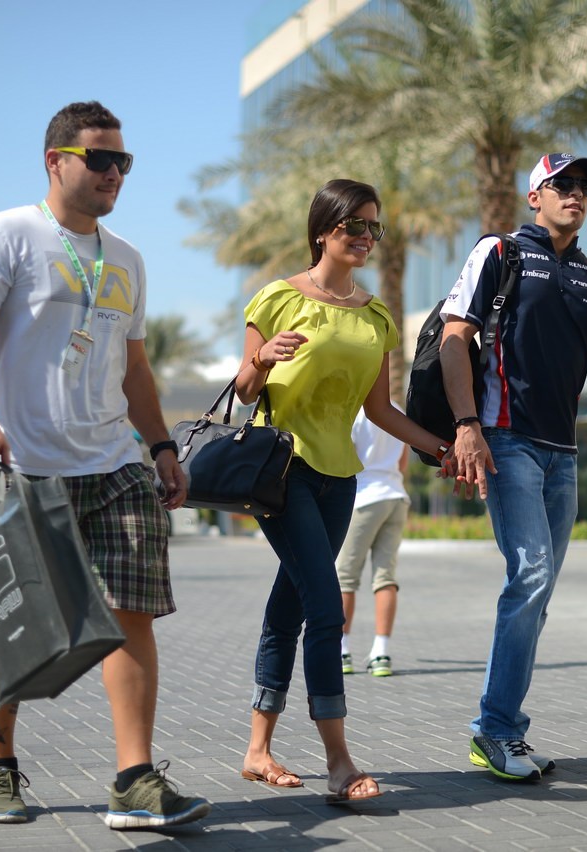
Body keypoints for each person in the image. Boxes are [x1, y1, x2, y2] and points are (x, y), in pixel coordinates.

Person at [0, 100, 209, 830]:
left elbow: (133, 368)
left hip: (112, 461)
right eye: (99, 159)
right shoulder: (6, 234)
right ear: (54, 160)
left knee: (133, 615)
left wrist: (159, 446)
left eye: (122, 162)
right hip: (27, 462)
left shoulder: (127, 258)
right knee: (15, 619)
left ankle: (133, 781)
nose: (114, 174)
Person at [233, 179, 455, 801]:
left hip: (341, 479)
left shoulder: (377, 315)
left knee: (290, 604)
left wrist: (440, 446)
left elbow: (379, 409)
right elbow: (245, 392)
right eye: (354, 225)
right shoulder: (277, 299)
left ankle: (257, 750)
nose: (365, 237)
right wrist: (264, 359)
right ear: (323, 229)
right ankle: (339, 761)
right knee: (326, 606)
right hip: (281, 472)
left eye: (373, 228)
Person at [439, 153, 587, 781]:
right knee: (531, 575)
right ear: (534, 195)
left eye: (585, 186)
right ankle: (496, 729)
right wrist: (467, 427)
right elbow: (456, 338)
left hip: (563, 456)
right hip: (504, 440)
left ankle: (503, 728)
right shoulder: (500, 253)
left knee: (539, 593)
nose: (577, 194)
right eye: (563, 185)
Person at [335, 407, 410, 678]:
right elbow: (402, 464)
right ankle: (381, 652)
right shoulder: (397, 411)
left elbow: (344, 458)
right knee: (385, 578)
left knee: (345, 578)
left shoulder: (354, 411)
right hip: (396, 496)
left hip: (364, 497)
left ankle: (341, 650)